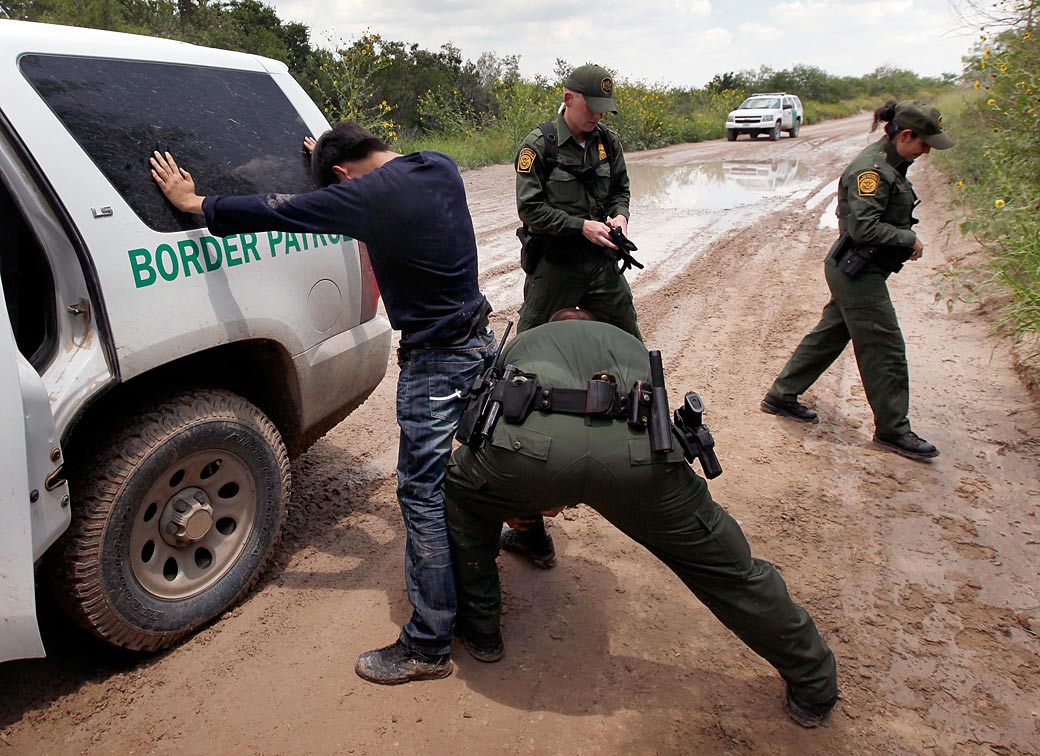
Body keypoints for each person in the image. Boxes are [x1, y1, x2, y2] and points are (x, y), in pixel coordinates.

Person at [150, 122, 496, 684]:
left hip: (435, 364)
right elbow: (367, 173)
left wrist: (196, 204)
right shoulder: (439, 165)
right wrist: (328, 155)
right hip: (480, 347)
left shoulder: (366, 197)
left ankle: (429, 643)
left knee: (422, 494)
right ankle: (483, 622)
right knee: (474, 473)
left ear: (343, 175)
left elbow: (279, 209)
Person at [443, 313, 840, 728]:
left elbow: (493, 416)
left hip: (528, 452)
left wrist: (522, 496)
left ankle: (482, 629)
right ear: (597, 325)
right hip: (636, 459)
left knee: (465, 495)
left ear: (553, 325)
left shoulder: (527, 341)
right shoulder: (629, 346)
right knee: (728, 569)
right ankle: (814, 682)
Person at [760, 100, 954, 461]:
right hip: (857, 272)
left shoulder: (892, 163)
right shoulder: (872, 170)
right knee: (885, 347)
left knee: (831, 333)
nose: (926, 151)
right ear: (905, 135)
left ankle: (781, 395)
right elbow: (864, 228)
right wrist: (908, 239)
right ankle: (893, 429)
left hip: (857, 269)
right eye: (924, 143)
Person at [506, 63, 638, 566]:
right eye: (591, 108)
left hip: (601, 266)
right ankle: (516, 452)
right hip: (556, 268)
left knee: (631, 349)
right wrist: (581, 226)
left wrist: (619, 215)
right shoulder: (537, 146)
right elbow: (532, 211)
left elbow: (621, 188)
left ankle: (637, 442)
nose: (597, 117)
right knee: (523, 357)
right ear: (568, 98)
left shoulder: (607, 144)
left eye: (604, 110)